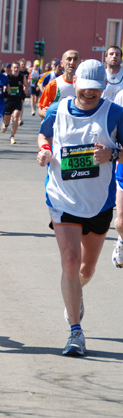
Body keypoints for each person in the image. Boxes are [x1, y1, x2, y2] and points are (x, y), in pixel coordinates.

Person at [37, 60, 123, 356]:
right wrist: (44, 150)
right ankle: (75, 332)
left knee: (86, 268)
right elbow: (44, 135)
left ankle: (76, 290)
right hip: (62, 198)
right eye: (86, 88)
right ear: (75, 83)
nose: (90, 94)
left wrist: (113, 154)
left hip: (98, 202)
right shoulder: (57, 109)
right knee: (71, 262)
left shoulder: (115, 113)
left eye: (97, 90)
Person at [100, 46, 123, 267]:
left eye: (118, 54)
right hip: (112, 143)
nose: (115, 57)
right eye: (111, 54)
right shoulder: (100, 78)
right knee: (120, 220)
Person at [37, 50, 80, 119]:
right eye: (69, 59)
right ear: (62, 63)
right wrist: (46, 113)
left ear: (79, 63)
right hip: (58, 127)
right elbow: (40, 109)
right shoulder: (53, 84)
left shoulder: (85, 85)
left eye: (75, 59)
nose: (72, 62)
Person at [2, 61, 28, 144]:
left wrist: (25, 89)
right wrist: (5, 89)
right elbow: (3, 86)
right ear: (11, 68)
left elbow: (26, 85)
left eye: (17, 67)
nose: (16, 69)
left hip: (17, 99)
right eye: (14, 67)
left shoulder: (22, 77)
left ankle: (12, 136)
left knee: (16, 116)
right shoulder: (7, 77)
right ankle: (5, 125)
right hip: (8, 100)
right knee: (7, 121)